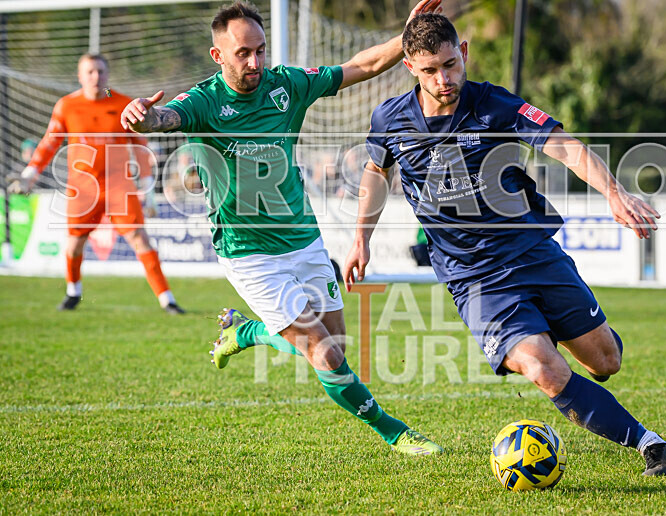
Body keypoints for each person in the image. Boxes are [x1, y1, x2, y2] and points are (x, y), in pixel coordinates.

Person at [344, 13, 666, 476]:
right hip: (474, 279)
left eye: (450, 64)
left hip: (533, 254)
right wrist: (361, 238)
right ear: (409, 68)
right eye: (429, 71)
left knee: (606, 361)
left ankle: (565, 342)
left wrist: (613, 193)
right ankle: (651, 445)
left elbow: (562, 145)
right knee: (544, 369)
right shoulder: (390, 119)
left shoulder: (495, 106)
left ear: (463, 52)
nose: (443, 79)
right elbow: (376, 172)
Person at [121, 0, 444, 455]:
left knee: (337, 348)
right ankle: (396, 433)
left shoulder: (286, 85)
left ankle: (247, 333)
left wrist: (407, 36)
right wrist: (142, 116)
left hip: (303, 237)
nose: (255, 62)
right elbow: (163, 118)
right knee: (325, 355)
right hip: (248, 252)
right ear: (218, 56)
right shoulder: (203, 101)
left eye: (260, 50)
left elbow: (362, 64)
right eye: (242, 54)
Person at [10, 53, 184, 314]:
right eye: (90, 72)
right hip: (82, 189)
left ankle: (167, 299)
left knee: (140, 239)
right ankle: (73, 292)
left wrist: (147, 192)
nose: (96, 77)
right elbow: (49, 143)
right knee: (74, 244)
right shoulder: (66, 106)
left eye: (100, 71)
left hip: (119, 186)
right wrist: (29, 174)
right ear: (79, 76)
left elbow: (139, 148)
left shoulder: (124, 103)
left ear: (107, 75)